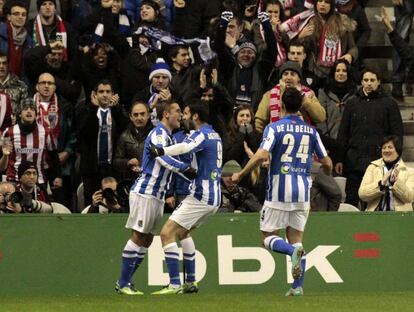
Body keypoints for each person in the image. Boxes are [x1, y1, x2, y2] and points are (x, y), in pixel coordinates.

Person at [232, 87, 333, 296]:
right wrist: (326, 172)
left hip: (279, 191)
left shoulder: (274, 128)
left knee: (267, 238)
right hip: (303, 194)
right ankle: (297, 287)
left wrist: (241, 174)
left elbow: (261, 155)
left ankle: (291, 252)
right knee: (297, 239)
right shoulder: (311, 131)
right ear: (302, 106)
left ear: (281, 106)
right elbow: (327, 162)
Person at [115, 100, 195, 295]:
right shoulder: (158, 133)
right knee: (138, 235)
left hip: (156, 195)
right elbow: (162, 158)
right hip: (146, 192)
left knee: (148, 239)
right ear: (166, 114)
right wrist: (185, 169)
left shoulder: (168, 137)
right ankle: (122, 282)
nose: (180, 116)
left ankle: (126, 282)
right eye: (177, 111)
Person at [149, 99, 222, 294]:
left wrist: (162, 150)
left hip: (201, 195)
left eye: (187, 114)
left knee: (166, 234)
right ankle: (190, 281)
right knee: (183, 233)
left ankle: (174, 284)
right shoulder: (215, 134)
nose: (183, 117)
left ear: (196, 116)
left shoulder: (201, 134)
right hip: (214, 196)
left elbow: (184, 148)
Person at [336, 69, 404, 207]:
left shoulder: (390, 104)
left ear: (379, 82)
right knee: (351, 202)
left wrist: (394, 159)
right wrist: (339, 159)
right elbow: (343, 133)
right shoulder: (352, 103)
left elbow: (397, 134)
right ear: (361, 82)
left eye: (372, 80)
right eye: (366, 80)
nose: (369, 83)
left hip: (379, 163)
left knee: (375, 204)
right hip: (354, 162)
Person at [76, 80, 127, 207]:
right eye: (101, 92)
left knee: (116, 203)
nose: (105, 95)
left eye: (108, 92)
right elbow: (84, 133)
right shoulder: (85, 111)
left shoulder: (117, 112)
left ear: (113, 94)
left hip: (112, 168)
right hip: (92, 168)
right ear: (95, 94)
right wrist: (93, 108)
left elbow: (124, 130)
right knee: (93, 203)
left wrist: (116, 109)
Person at [255, 61, 326, 133]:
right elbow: (260, 121)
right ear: (281, 77)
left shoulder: (308, 94)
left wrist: (305, 101)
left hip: (303, 138)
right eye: (285, 74)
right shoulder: (269, 95)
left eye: (293, 74)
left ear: (299, 78)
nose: (289, 77)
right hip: (277, 138)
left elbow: (321, 117)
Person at [359, 135, 414, 212]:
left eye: (390, 147)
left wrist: (395, 183)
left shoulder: (410, 172)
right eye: (384, 148)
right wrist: (380, 184)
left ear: (398, 150)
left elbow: (410, 197)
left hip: (400, 217)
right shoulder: (373, 167)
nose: (386, 150)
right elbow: (362, 194)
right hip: (375, 215)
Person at [316, 59, 356, 139]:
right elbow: (321, 120)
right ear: (333, 73)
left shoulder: (356, 92)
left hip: (352, 141)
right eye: (338, 71)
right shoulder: (323, 92)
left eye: (344, 71)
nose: (341, 73)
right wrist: (327, 141)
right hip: (331, 141)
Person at [113, 100, 153, 180]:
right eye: (135, 115)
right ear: (131, 117)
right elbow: (116, 162)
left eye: (142, 114)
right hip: (131, 180)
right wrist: (128, 162)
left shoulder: (156, 134)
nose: (139, 118)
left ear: (148, 115)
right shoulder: (124, 136)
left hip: (152, 179)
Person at [0, 1, 34, 77]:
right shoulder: (1, 34)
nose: (20, 17)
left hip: (19, 84)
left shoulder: (29, 41)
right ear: (8, 17)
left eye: (23, 14)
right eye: (16, 14)